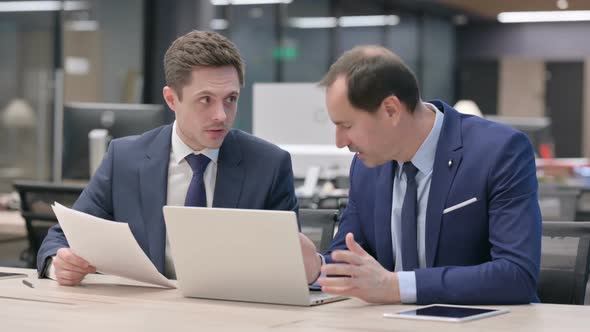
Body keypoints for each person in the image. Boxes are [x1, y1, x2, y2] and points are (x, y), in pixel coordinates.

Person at [38, 30, 300, 285]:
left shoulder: (269, 166)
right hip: (143, 316)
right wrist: (58, 264)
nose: (221, 115)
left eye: (230, 99)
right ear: (172, 99)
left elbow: (290, 267)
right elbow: (60, 239)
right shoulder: (125, 159)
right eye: (206, 99)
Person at [300, 46, 542, 305]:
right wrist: (317, 266)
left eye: (347, 126)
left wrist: (395, 287)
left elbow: (516, 276)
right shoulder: (366, 167)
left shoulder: (498, 152)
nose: (340, 142)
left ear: (391, 109)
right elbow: (350, 256)